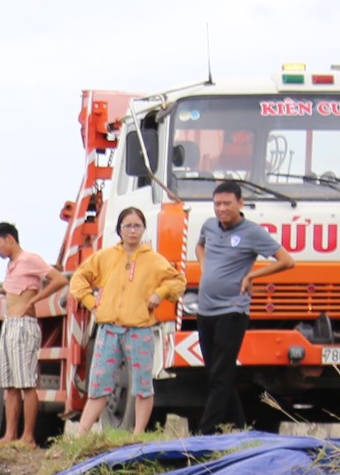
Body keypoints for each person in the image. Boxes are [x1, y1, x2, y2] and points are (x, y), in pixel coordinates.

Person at [66, 206, 182, 433]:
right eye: (127, 226)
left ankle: (137, 435)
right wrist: (92, 304)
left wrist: (160, 293)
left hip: (140, 330)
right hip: (109, 329)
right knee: (99, 384)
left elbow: (178, 282)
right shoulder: (106, 256)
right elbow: (78, 280)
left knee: (143, 385)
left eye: (137, 226)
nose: (132, 231)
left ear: (143, 229)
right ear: (119, 229)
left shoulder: (154, 259)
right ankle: (81, 435)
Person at [192, 181, 295, 430]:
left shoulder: (252, 232)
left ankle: (205, 431)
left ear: (240, 203)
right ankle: (240, 427)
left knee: (221, 373)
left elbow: (286, 260)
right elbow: (199, 245)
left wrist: (252, 276)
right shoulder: (209, 226)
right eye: (217, 204)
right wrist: (204, 265)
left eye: (227, 203)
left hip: (233, 310)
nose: (221, 209)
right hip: (205, 310)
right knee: (215, 373)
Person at [0, 223, 67, 447]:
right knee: (10, 384)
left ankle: (28, 437)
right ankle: (10, 434)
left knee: (26, 382)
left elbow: (59, 280)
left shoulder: (30, 259)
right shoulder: (12, 265)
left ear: (10, 239)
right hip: (9, 323)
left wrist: (34, 300)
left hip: (25, 324)